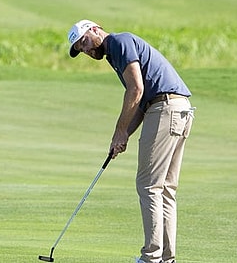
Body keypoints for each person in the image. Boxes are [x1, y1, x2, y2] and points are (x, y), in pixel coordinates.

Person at [67, 19, 195, 263]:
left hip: (165, 108)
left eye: (84, 42)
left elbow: (135, 90)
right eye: (80, 49)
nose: (85, 49)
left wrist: (119, 130)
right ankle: (165, 259)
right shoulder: (114, 53)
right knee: (165, 188)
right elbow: (140, 102)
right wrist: (123, 135)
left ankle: (151, 258)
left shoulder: (118, 42)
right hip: (178, 109)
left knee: (148, 185)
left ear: (95, 29)